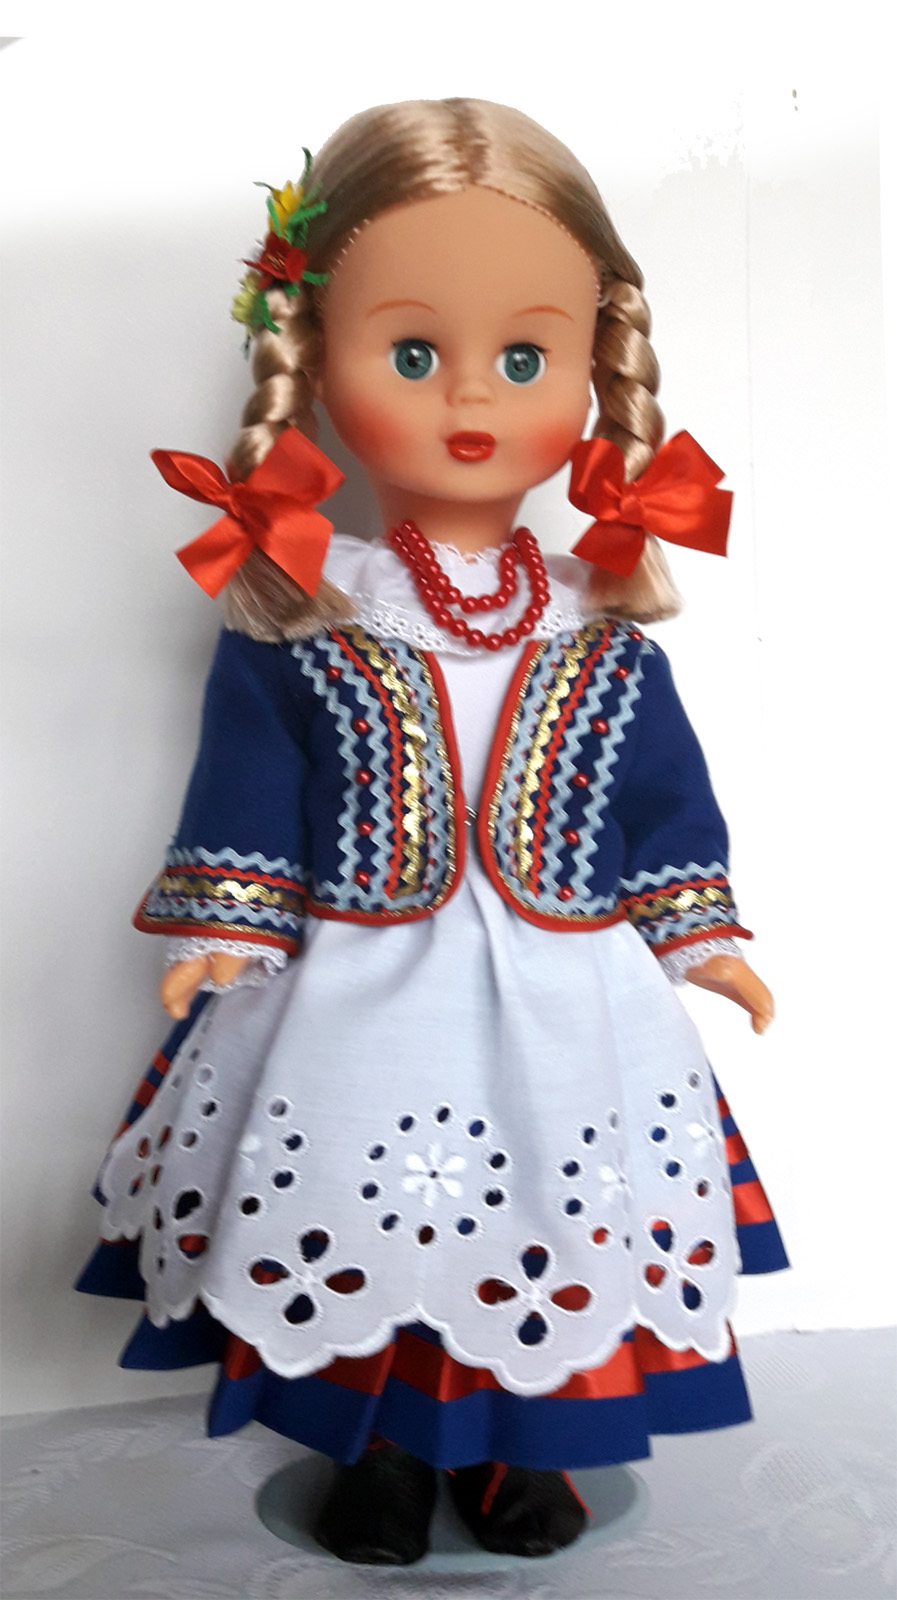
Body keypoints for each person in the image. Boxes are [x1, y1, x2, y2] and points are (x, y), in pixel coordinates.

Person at [78, 98, 788, 1566]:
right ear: (314, 358)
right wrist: (222, 932)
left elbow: (661, 796)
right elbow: (247, 790)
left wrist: (700, 936)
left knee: (547, 1215)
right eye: (412, 353)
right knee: (360, 1210)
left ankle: (523, 1452)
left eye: (524, 359)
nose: (471, 395)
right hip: (354, 993)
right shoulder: (305, 610)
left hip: (569, 994)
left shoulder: (598, 630)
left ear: (592, 374)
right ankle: (384, 1455)